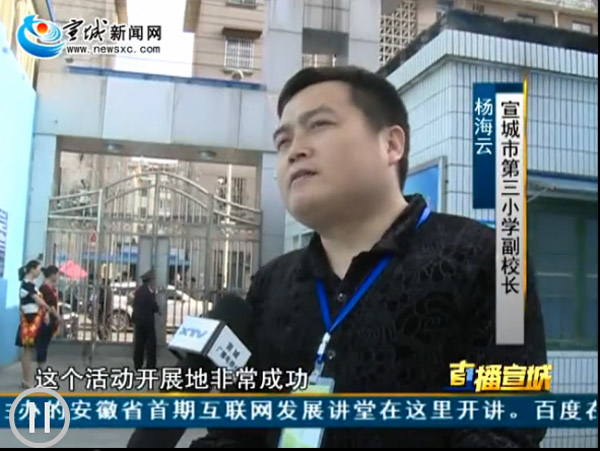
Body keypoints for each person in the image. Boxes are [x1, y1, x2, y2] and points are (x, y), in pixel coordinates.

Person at [128, 66, 547, 448]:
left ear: (391, 144)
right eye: (283, 141)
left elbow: (508, 427)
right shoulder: (271, 284)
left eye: (319, 126)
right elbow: (238, 431)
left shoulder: (492, 261)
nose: (294, 150)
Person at [15, 260, 51, 388]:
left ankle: (28, 380)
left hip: (34, 319)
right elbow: (38, 300)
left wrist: (45, 313)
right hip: (29, 321)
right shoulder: (26, 285)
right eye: (38, 269)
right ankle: (27, 380)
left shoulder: (32, 285)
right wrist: (48, 308)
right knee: (27, 351)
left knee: (29, 350)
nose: (39, 272)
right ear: (32, 269)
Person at [131, 269, 159, 370]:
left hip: (139, 321)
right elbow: (152, 305)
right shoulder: (148, 292)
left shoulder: (139, 291)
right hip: (147, 321)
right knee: (151, 344)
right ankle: (150, 366)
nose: (155, 282)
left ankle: (137, 364)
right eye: (154, 280)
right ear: (150, 281)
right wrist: (157, 309)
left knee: (139, 343)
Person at [37, 265, 62, 369]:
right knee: (43, 342)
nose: (58, 277)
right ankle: (41, 366)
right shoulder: (44, 288)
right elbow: (50, 305)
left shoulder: (52, 289)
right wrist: (58, 316)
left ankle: (42, 365)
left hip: (51, 319)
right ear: (52, 275)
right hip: (45, 319)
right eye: (57, 274)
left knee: (46, 342)